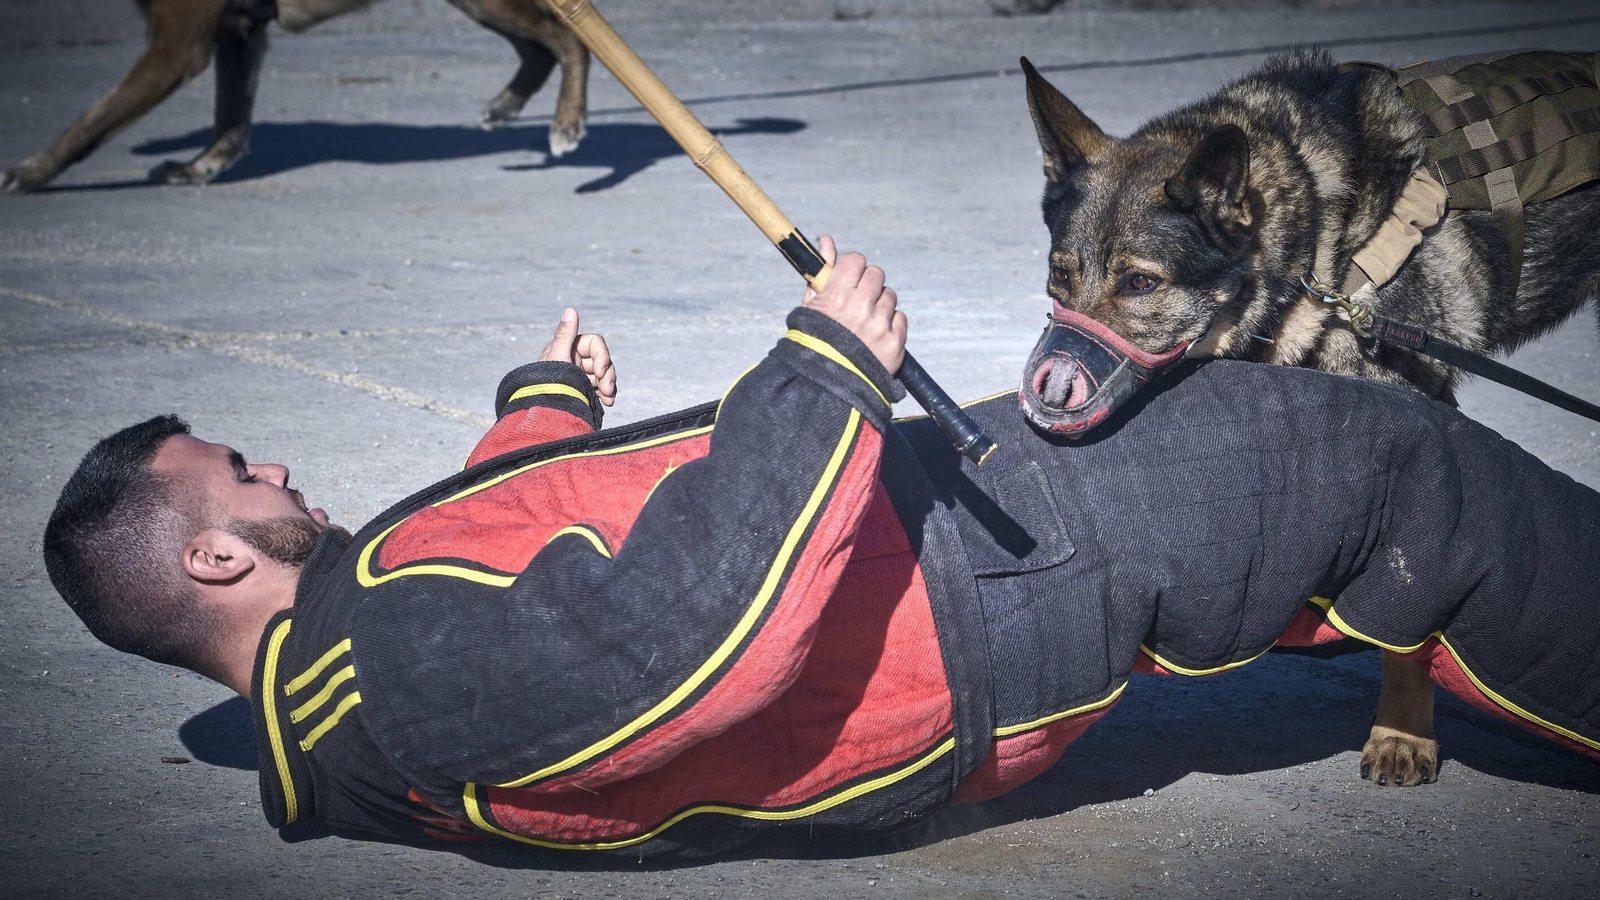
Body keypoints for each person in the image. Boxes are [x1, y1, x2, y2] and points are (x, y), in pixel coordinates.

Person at [44, 239, 1600, 857]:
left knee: (1324, 489)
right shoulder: (381, 684)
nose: (278, 466)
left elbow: (508, 564)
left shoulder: (363, 639)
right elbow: (672, 655)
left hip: (947, 544)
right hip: (973, 602)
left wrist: (537, 412)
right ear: (207, 564)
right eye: (240, 477)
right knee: (1383, 468)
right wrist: (819, 373)